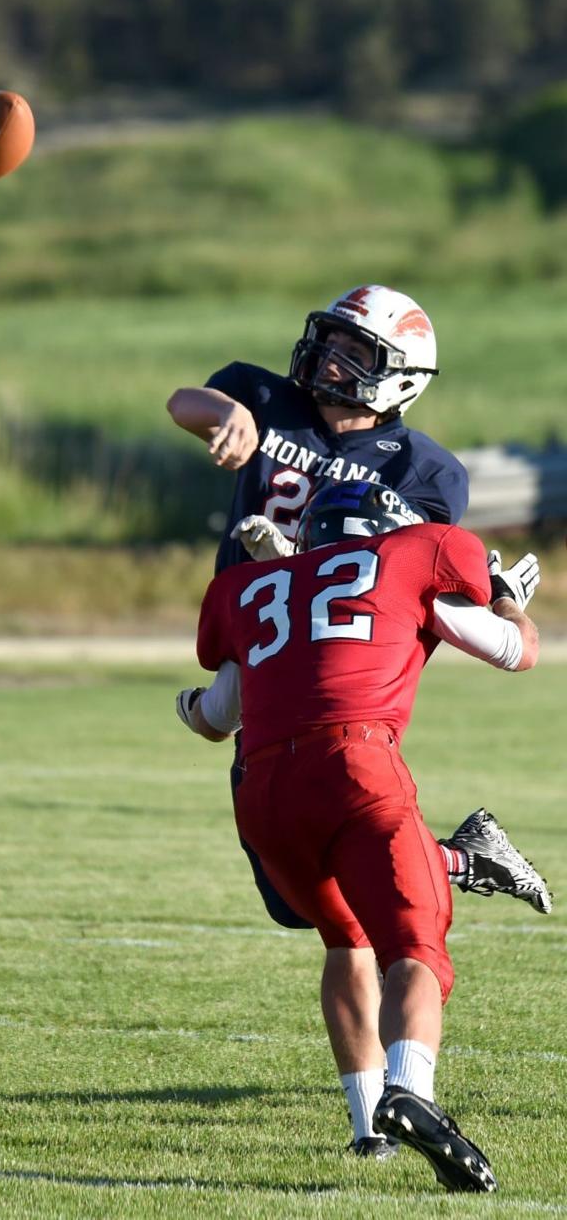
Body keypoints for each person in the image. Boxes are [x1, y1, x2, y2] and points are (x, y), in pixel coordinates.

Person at [166, 285, 551, 1156]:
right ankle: (459, 859)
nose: (332, 359)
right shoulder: (270, 401)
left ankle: (372, 1119)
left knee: (346, 912)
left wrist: (309, 573)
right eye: (331, 340)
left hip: (335, 675)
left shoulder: (429, 474)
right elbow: (185, 402)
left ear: (402, 380)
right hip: (260, 639)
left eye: (359, 352)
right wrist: (222, 413)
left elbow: (423, 590)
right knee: (316, 911)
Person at [184, 479, 540, 1191]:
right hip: (354, 763)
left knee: (347, 937)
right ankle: (411, 1090)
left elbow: (214, 714)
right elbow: (514, 651)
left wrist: (186, 706)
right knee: (413, 947)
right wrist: (507, 597)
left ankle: (367, 1127)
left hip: (262, 792)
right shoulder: (412, 553)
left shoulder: (251, 583)